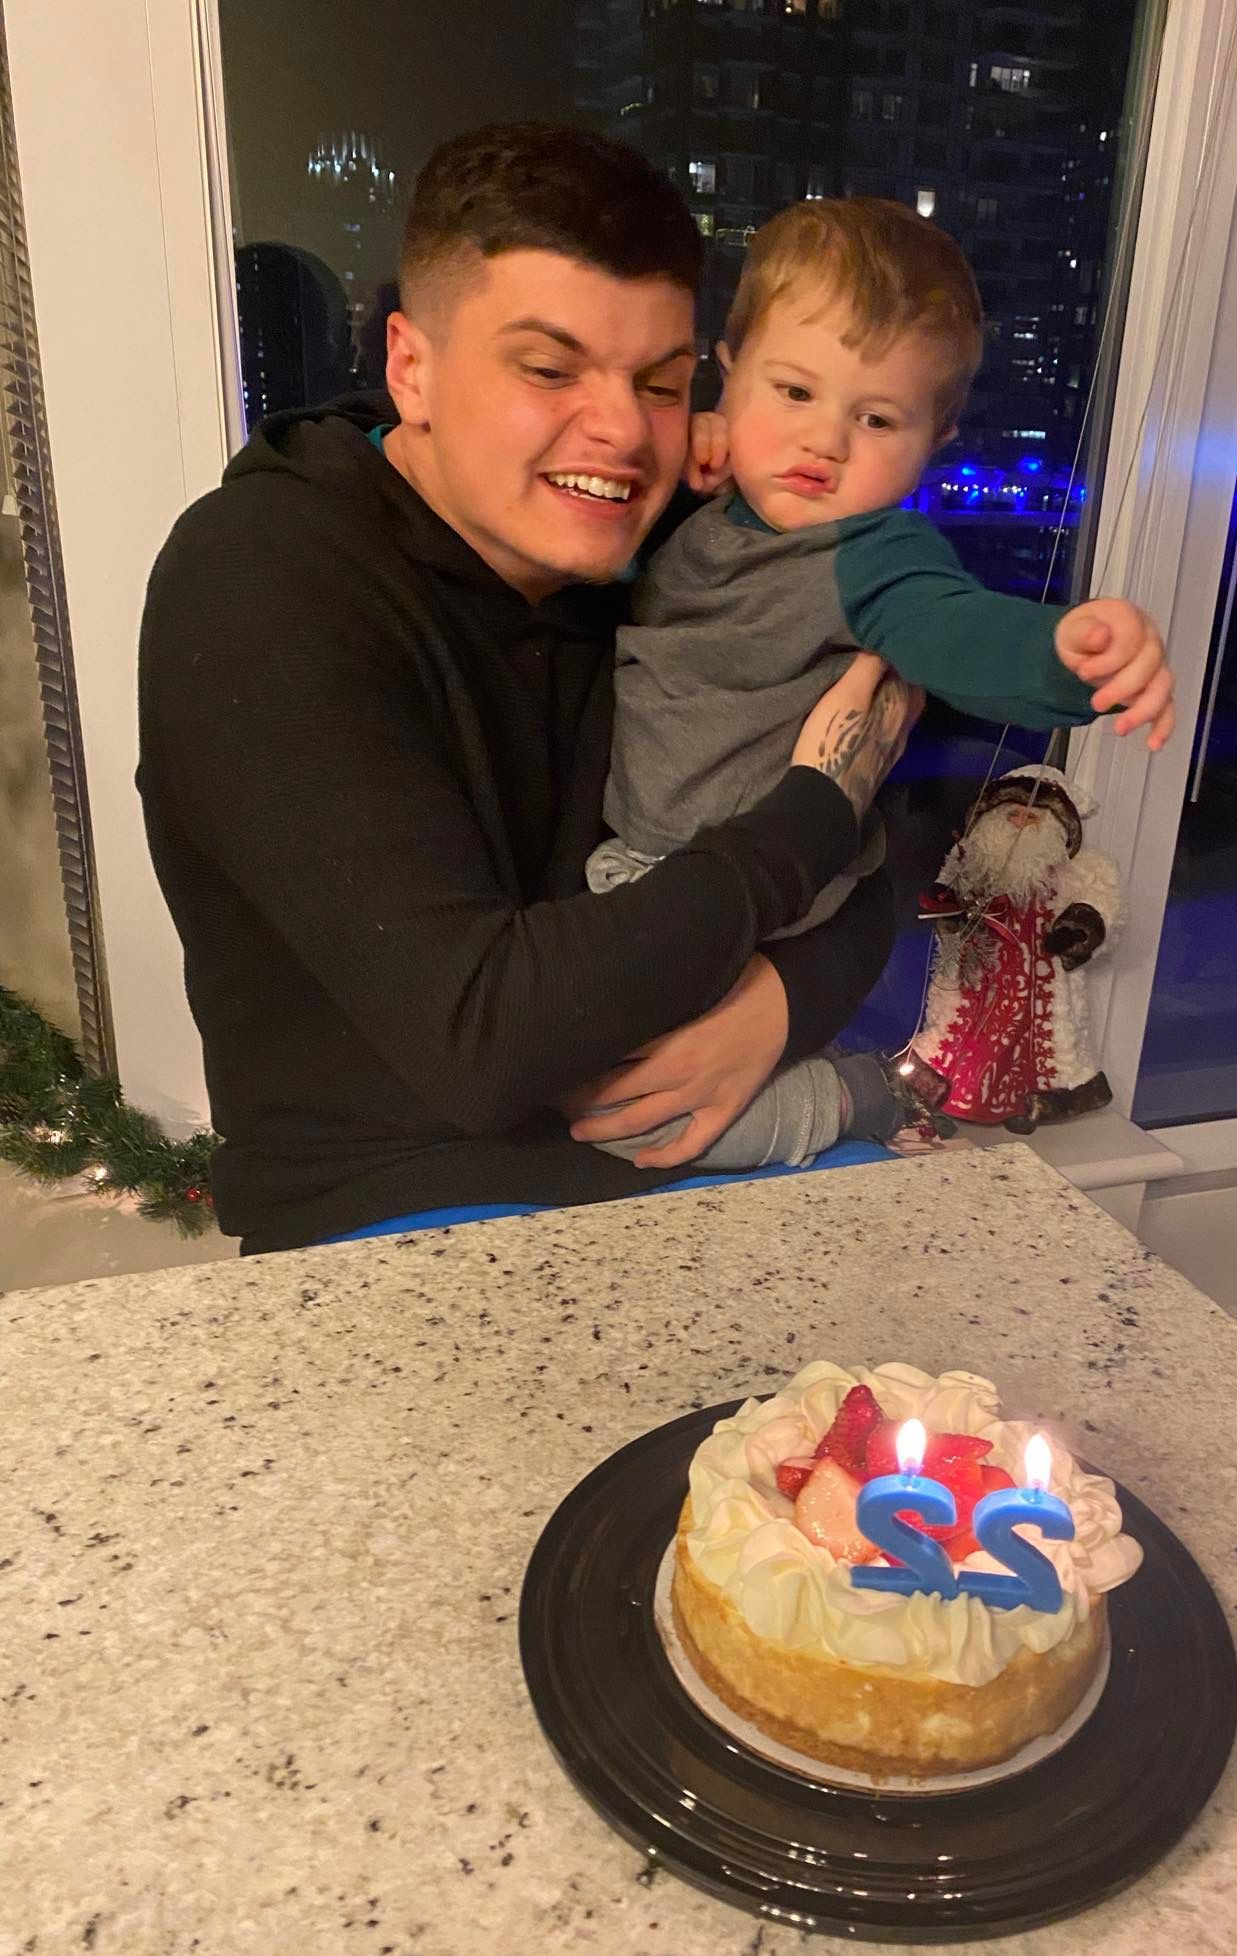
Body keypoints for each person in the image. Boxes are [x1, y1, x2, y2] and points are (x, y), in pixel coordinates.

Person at [137, 125, 918, 1255]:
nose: (618, 428)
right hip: (395, 1216)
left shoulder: (666, 555)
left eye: (659, 380)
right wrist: (813, 812)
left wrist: (779, 1005)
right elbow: (487, 1035)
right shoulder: (263, 576)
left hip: (687, 1168)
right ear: (413, 366)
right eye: (549, 369)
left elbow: (875, 873)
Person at [577, 196, 1173, 1170]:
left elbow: (958, 631)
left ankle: (852, 1096)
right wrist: (693, 445)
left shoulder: (872, 551)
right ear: (730, 376)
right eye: (795, 392)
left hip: (746, 887)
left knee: (630, 1116)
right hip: (664, 868)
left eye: (878, 416)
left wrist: (1071, 652)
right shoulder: (710, 511)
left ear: (935, 439)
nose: (825, 441)